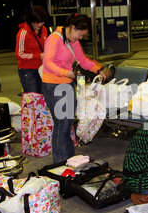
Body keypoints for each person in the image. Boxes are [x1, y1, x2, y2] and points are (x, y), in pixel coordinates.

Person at [42, 13, 106, 163]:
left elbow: (82, 60)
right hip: (53, 85)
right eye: (80, 34)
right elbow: (48, 63)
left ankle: (69, 160)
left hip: (68, 84)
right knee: (62, 123)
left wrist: (98, 68)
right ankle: (60, 162)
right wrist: (67, 73)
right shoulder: (54, 38)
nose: (81, 38)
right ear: (72, 28)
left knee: (68, 122)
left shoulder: (72, 40)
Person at [15, 5, 48, 94]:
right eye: (37, 22)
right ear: (30, 21)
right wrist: (39, 56)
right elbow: (19, 54)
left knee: (43, 97)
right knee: (33, 100)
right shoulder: (23, 33)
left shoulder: (44, 29)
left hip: (42, 68)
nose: (40, 25)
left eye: (42, 22)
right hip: (28, 70)